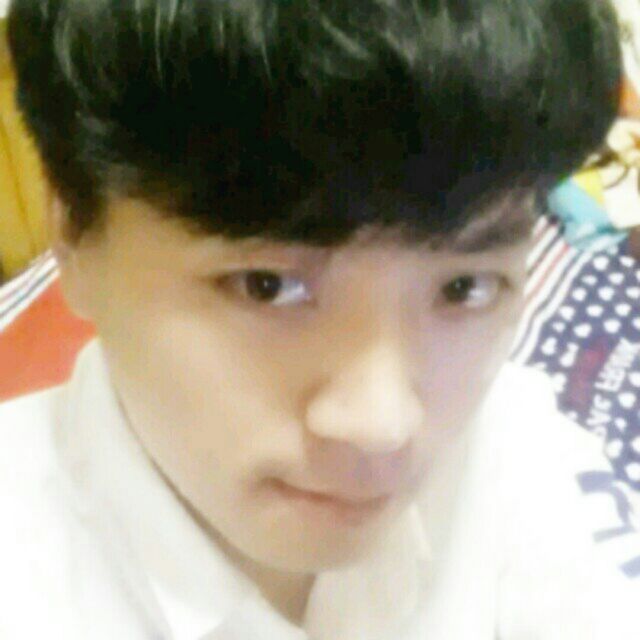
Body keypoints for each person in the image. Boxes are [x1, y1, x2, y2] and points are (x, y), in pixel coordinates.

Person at [2, 0, 640, 638]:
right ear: (74, 234)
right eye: (267, 286)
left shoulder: (517, 450)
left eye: (463, 288)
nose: (382, 425)